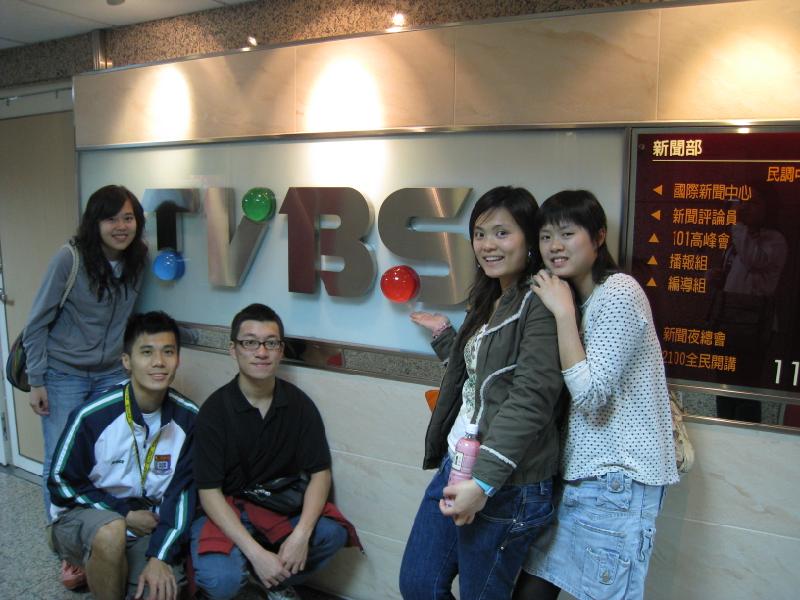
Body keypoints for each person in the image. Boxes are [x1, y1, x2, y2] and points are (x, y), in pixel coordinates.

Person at [398, 186, 566, 599]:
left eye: (502, 233)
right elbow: (481, 373)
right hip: (458, 463)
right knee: (419, 584)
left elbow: (531, 399)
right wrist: (444, 335)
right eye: (479, 233)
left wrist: (485, 483)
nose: (488, 245)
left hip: (506, 482)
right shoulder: (490, 297)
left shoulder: (539, 302)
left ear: (529, 238)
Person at [514, 190, 679, 600]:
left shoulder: (618, 291)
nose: (555, 246)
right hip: (581, 477)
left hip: (616, 478)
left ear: (599, 236)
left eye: (567, 233)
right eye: (546, 236)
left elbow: (591, 397)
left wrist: (563, 313)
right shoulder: (580, 298)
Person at [190, 303, 359, 600]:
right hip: (227, 510)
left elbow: (320, 473)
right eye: (250, 343)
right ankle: (251, 575)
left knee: (332, 534)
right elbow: (209, 492)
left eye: (270, 343)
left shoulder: (299, 404)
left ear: (281, 351)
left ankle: (266, 582)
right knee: (221, 582)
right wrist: (256, 554)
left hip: (276, 506)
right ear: (233, 350)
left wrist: (301, 536)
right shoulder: (214, 412)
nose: (261, 352)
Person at [47, 311, 198, 600]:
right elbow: (59, 481)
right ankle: (93, 562)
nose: (159, 362)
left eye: (168, 352)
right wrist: (124, 515)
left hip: (148, 525)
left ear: (178, 359)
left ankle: (108, 571)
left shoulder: (189, 419)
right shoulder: (93, 415)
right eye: (147, 352)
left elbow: (183, 495)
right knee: (110, 532)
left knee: (160, 591)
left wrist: (160, 556)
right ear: (127, 361)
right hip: (86, 517)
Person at [23, 184, 148, 523]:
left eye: (128, 218)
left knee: (106, 455)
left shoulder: (137, 259)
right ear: (95, 222)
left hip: (111, 373)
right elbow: (36, 322)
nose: (121, 227)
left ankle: (99, 529)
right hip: (64, 374)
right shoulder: (70, 258)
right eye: (111, 219)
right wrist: (37, 381)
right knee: (61, 458)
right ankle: (61, 533)